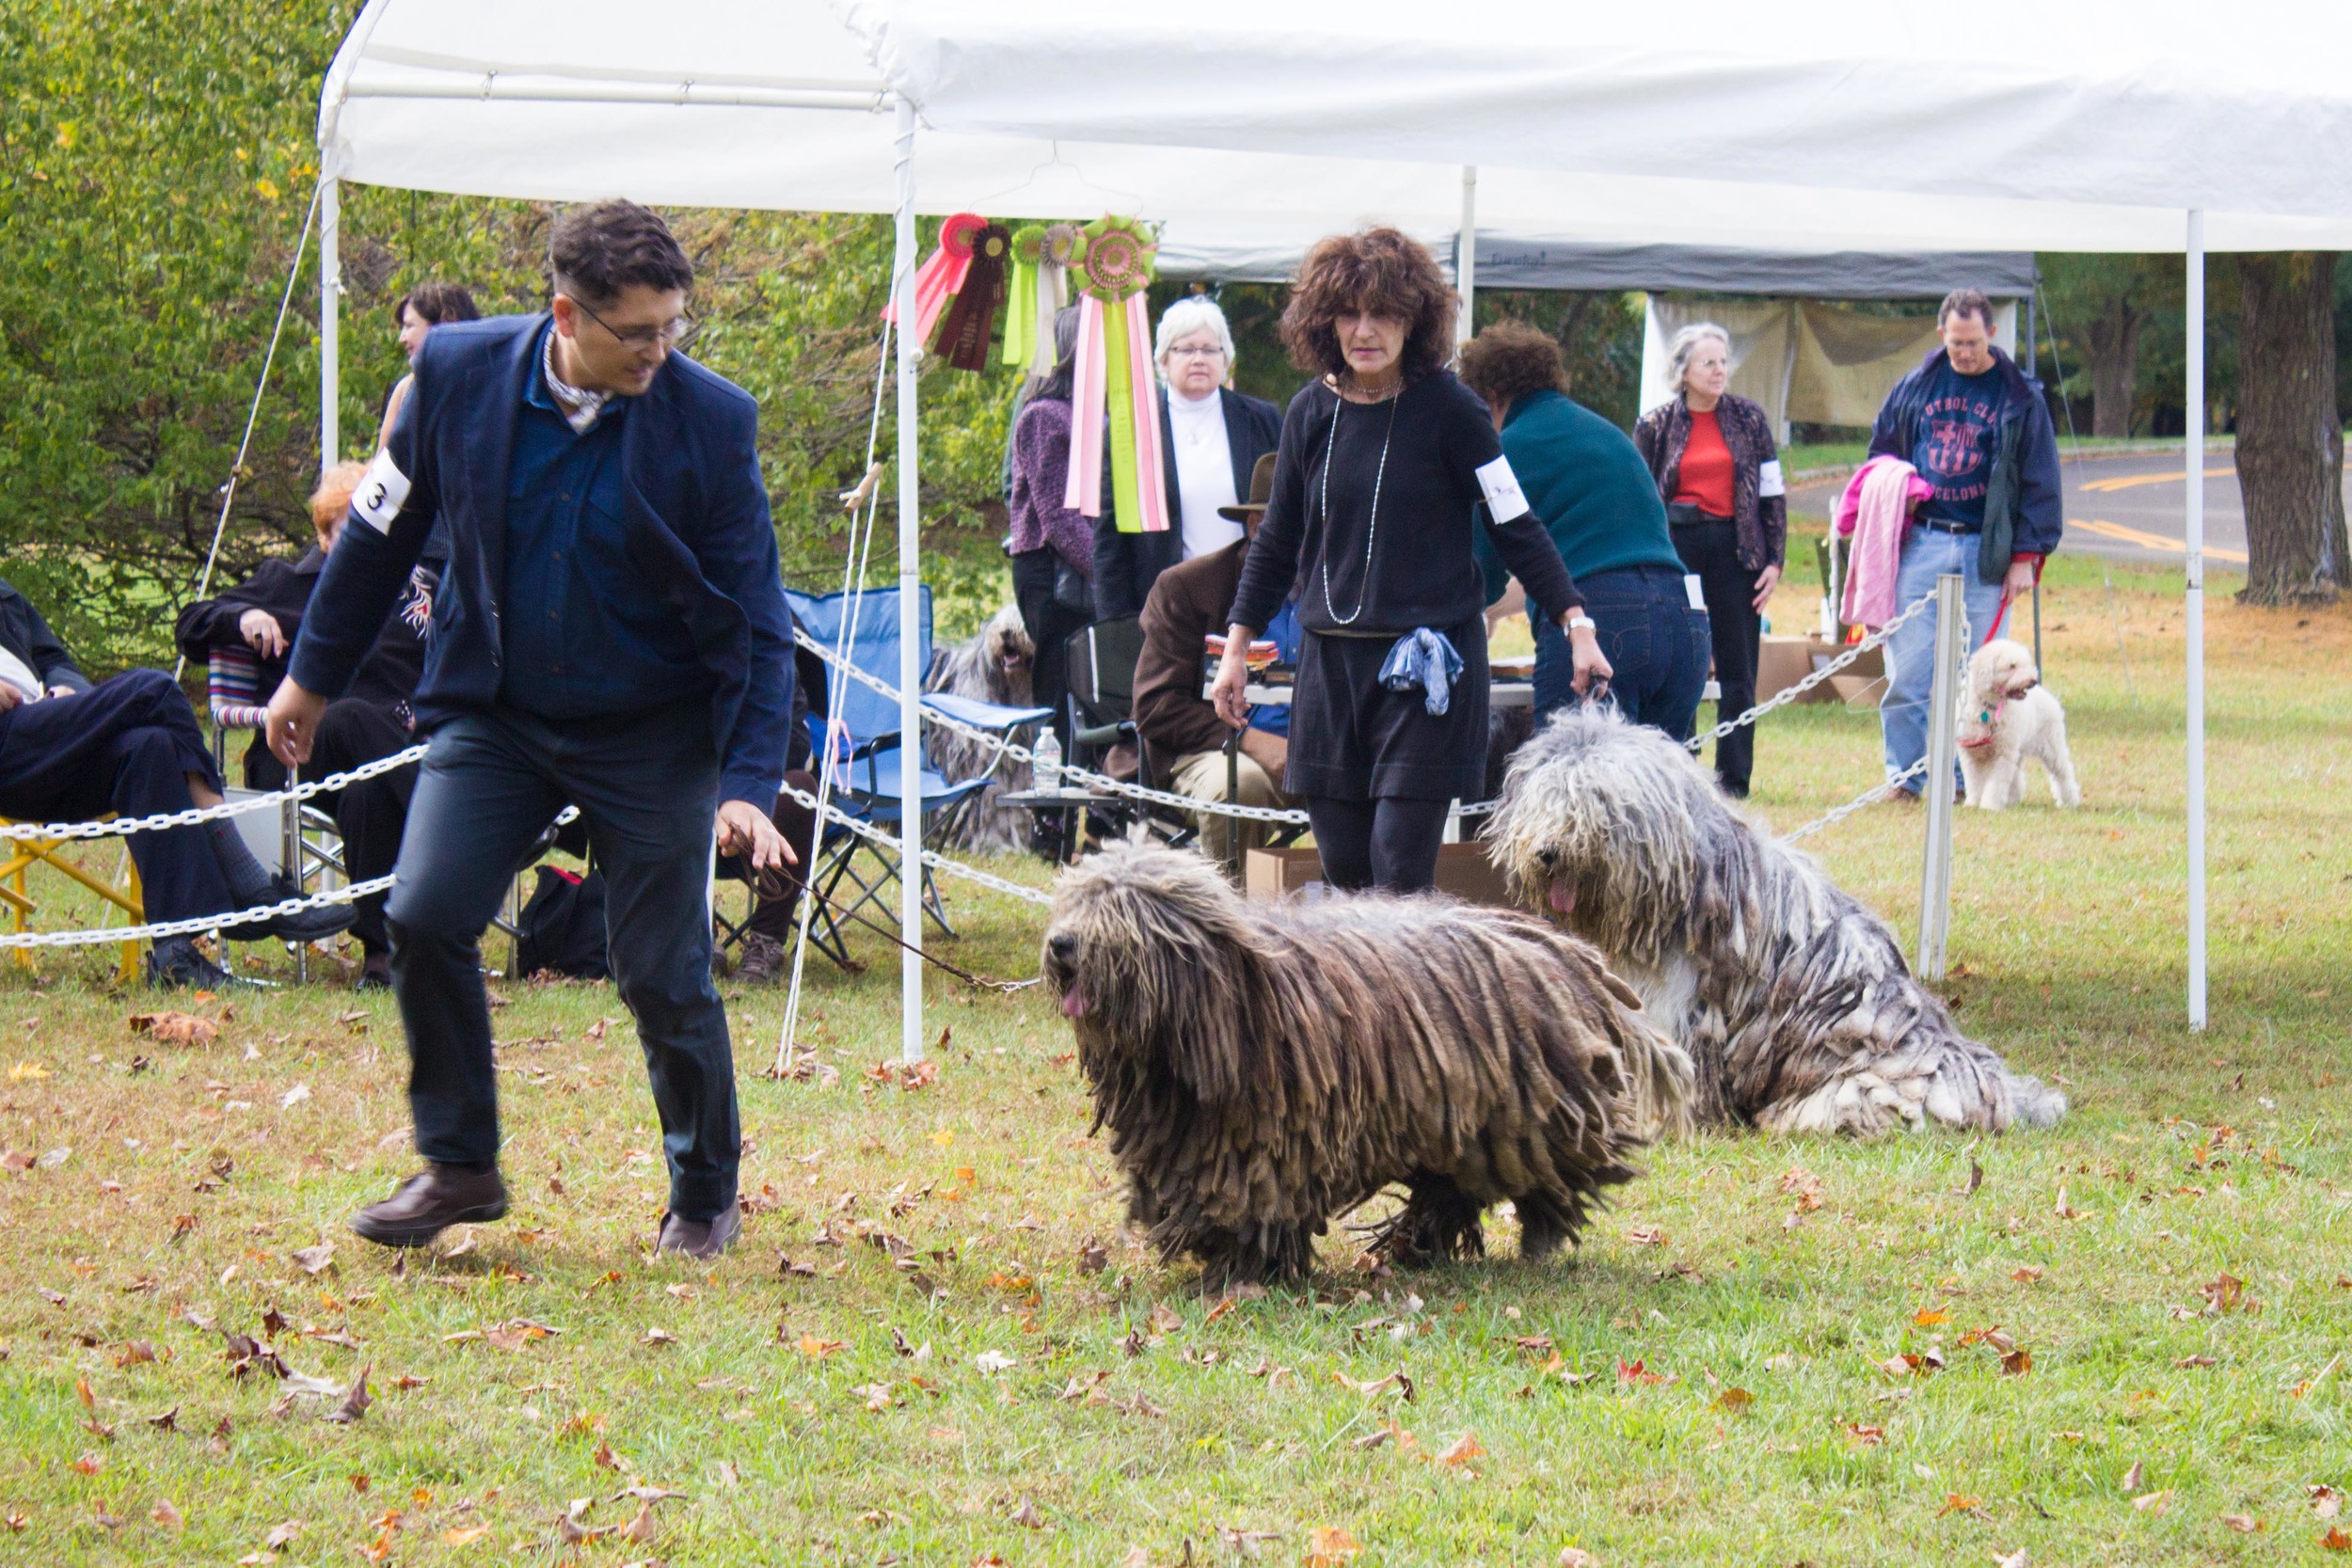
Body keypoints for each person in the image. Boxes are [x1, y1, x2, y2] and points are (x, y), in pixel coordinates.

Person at [268, 199, 796, 1259]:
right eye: (637, 332)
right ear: (566, 312)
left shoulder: (709, 420)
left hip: (653, 729)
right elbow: (377, 536)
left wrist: (747, 778)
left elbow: (757, 618)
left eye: (672, 327)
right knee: (422, 912)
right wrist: (310, 678)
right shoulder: (455, 378)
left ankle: (704, 1191)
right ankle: (459, 1163)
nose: (660, 350)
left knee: (660, 967)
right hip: (497, 710)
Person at [1214, 229, 1606, 894]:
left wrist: (1576, 622)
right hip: (1329, 667)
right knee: (1344, 868)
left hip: (1426, 670)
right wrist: (1236, 647)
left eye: (1384, 314)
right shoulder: (1310, 411)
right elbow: (1277, 542)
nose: (1364, 330)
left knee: (1398, 867)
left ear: (1414, 320)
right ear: (1325, 319)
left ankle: (1411, 998)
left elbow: (1515, 525)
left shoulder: (1454, 411)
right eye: (1349, 313)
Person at [0, 580, 354, 988]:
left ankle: (175, 958)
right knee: (153, 689)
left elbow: (54, 659)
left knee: (150, 748)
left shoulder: (7, 596)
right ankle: (246, 883)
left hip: (42, 733)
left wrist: (68, 689)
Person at [176, 462, 439, 988]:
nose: (371, 540)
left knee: (368, 795)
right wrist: (241, 617)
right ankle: (449, 819)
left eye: (379, 526)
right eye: (354, 527)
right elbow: (190, 625)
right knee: (349, 714)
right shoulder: (286, 584)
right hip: (294, 756)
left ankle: (381, 961)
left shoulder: (413, 592)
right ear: (325, 535)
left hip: (388, 757)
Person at [1461, 322, 1710, 739]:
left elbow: (1478, 574)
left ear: (1487, 397)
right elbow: (1594, 554)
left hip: (1602, 622)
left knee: (1572, 790)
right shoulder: (1606, 432)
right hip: (1685, 617)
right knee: (1656, 793)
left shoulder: (1510, 445)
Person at [1866, 289, 2060, 799]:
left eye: (1973, 343)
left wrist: (2025, 557)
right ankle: (1907, 779)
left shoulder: (2020, 396)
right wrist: (1898, 490)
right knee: (1908, 670)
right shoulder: (1915, 387)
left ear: (1992, 335)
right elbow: (1881, 453)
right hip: (1924, 541)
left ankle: (1971, 781)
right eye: (1956, 344)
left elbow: (2041, 480)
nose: (1965, 353)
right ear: (1941, 336)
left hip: (1986, 551)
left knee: (1984, 678)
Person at [1631, 324, 1787, 798]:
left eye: (1723, 362)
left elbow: (1772, 492)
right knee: (1681, 663)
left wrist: (1774, 560)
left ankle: (1734, 779)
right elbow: (1639, 495)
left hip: (1736, 550)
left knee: (1738, 671)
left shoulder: (1750, 419)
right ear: (1683, 371)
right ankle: (1678, 770)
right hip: (1677, 548)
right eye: (1708, 363)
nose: (1720, 371)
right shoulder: (1656, 425)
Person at [1133, 453, 1300, 861]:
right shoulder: (1189, 588)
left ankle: (1363, 918)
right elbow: (1156, 707)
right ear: (1258, 525)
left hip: (1317, 752)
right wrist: (1251, 740)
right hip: (1215, 750)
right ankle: (1234, 918)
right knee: (1240, 785)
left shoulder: (1342, 589)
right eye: (1300, 522)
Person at [1090, 295, 1283, 619]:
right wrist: (1115, 620)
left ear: (1226, 359)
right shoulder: (1133, 428)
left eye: (1210, 349)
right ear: (1163, 360)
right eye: (1186, 349)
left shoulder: (1262, 419)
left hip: (1249, 599)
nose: (1199, 359)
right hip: (1162, 606)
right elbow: (1110, 534)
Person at [1005, 306, 1096, 753]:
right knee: (1059, 694)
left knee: (1095, 690)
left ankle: (1099, 818)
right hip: (1052, 573)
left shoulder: (1097, 414)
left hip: (1082, 568)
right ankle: (1052, 817)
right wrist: (1110, 569)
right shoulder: (1044, 416)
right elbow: (1059, 517)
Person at [376, 282, 481, 451]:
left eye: (409, 326)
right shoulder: (406, 389)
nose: (401, 338)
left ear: (444, 324)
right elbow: (382, 471)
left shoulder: (491, 386)